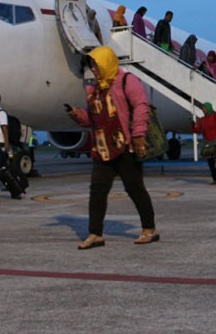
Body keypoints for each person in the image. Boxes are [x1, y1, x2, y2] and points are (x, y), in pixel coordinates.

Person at [67, 46, 158, 249]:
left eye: (96, 64)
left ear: (106, 62)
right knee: (97, 191)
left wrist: (138, 135)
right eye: (91, 65)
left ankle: (149, 229)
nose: (94, 69)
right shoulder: (93, 89)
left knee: (134, 189)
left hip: (125, 146)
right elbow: (93, 119)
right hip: (102, 148)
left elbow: (142, 106)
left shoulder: (126, 81)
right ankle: (95, 233)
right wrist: (78, 115)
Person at [191, 102, 216, 184]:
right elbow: (196, 130)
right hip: (208, 144)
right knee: (211, 163)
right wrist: (193, 125)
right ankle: (215, 179)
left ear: (209, 108)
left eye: (204, 108)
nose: (203, 110)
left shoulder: (215, 117)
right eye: (202, 109)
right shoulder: (202, 120)